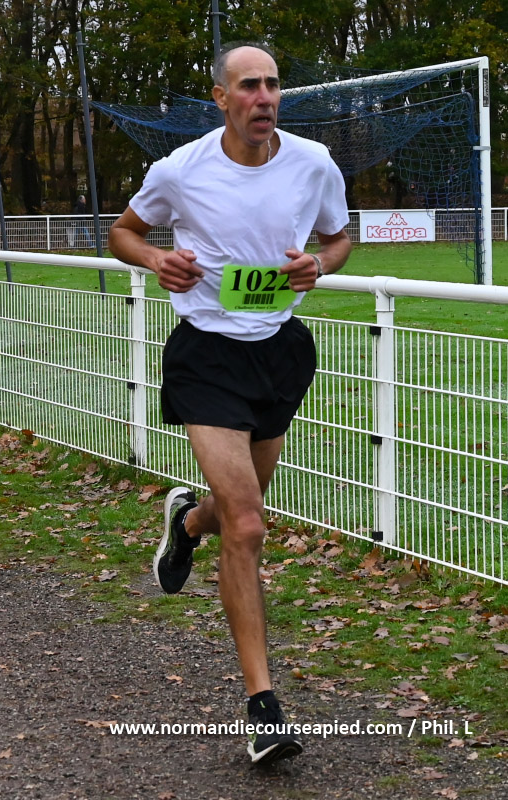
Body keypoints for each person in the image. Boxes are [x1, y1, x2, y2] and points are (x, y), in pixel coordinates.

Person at [108, 42, 351, 764]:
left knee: (233, 511)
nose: (264, 97)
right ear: (220, 98)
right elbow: (123, 231)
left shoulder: (313, 162)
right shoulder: (180, 170)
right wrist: (155, 257)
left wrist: (319, 263)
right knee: (246, 524)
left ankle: (187, 522)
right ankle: (263, 708)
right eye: (248, 85)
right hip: (207, 356)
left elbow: (339, 238)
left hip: (280, 352)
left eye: (273, 84)